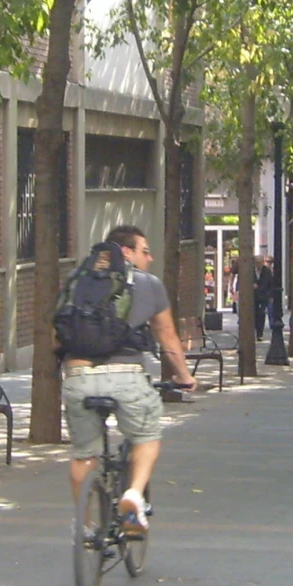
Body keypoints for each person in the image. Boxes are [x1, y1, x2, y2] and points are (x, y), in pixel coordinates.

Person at [62, 225, 196, 535]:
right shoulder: (149, 284)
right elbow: (167, 336)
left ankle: (83, 526)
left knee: (84, 454)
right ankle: (134, 494)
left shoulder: (77, 281)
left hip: (78, 376)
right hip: (127, 376)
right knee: (147, 437)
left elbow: (60, 329)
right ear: (127, 252)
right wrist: (184, 376)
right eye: (145, 251)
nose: (149, 258)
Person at [253, 255, 281, 341]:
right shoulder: (250, 271)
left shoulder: (267, 271)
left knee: (261, 314)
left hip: (263, 296)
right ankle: (252, 332)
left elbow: (270, 285)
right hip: (252, 297)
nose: (259, 265)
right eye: (257, 263)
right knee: (253, 314)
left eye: (260, 263)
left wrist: (269, 295)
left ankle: (259, 333)